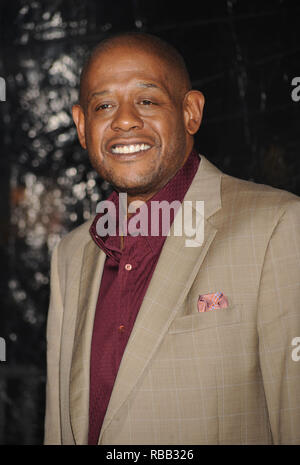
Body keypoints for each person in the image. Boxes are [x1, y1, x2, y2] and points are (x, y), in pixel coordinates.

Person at [44, 31, 300, 445]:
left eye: (147, 100)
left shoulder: (276, 228)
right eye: (104, 105)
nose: (125, 119)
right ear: (81, 125)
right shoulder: (72, 254)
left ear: (190, 113)